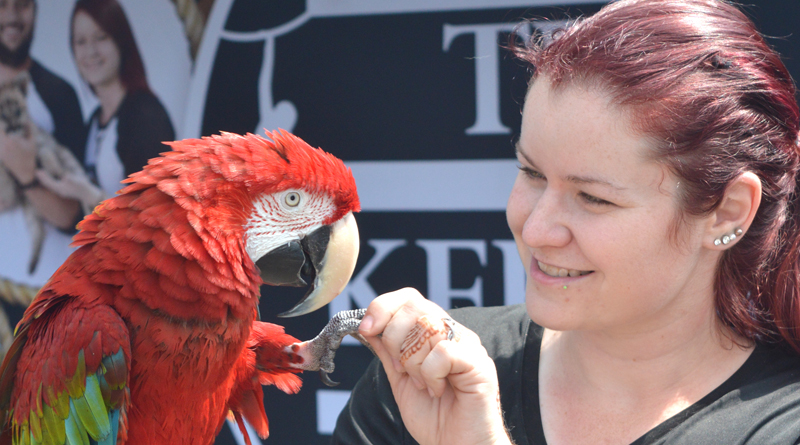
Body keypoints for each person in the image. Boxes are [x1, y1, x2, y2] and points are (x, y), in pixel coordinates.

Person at [332, 0, 800, 444]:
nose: (536, 230)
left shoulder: (782, 423)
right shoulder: (429, 372)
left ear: (727, 211)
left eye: (593, 198)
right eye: (531, 173)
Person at [37, 0, 175, 212]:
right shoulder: (94, 121)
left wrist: (88, 194)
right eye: (80, 42)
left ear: (121, 41)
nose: (90, 51)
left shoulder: (146, 116)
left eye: (101, 37)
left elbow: (153, 216)